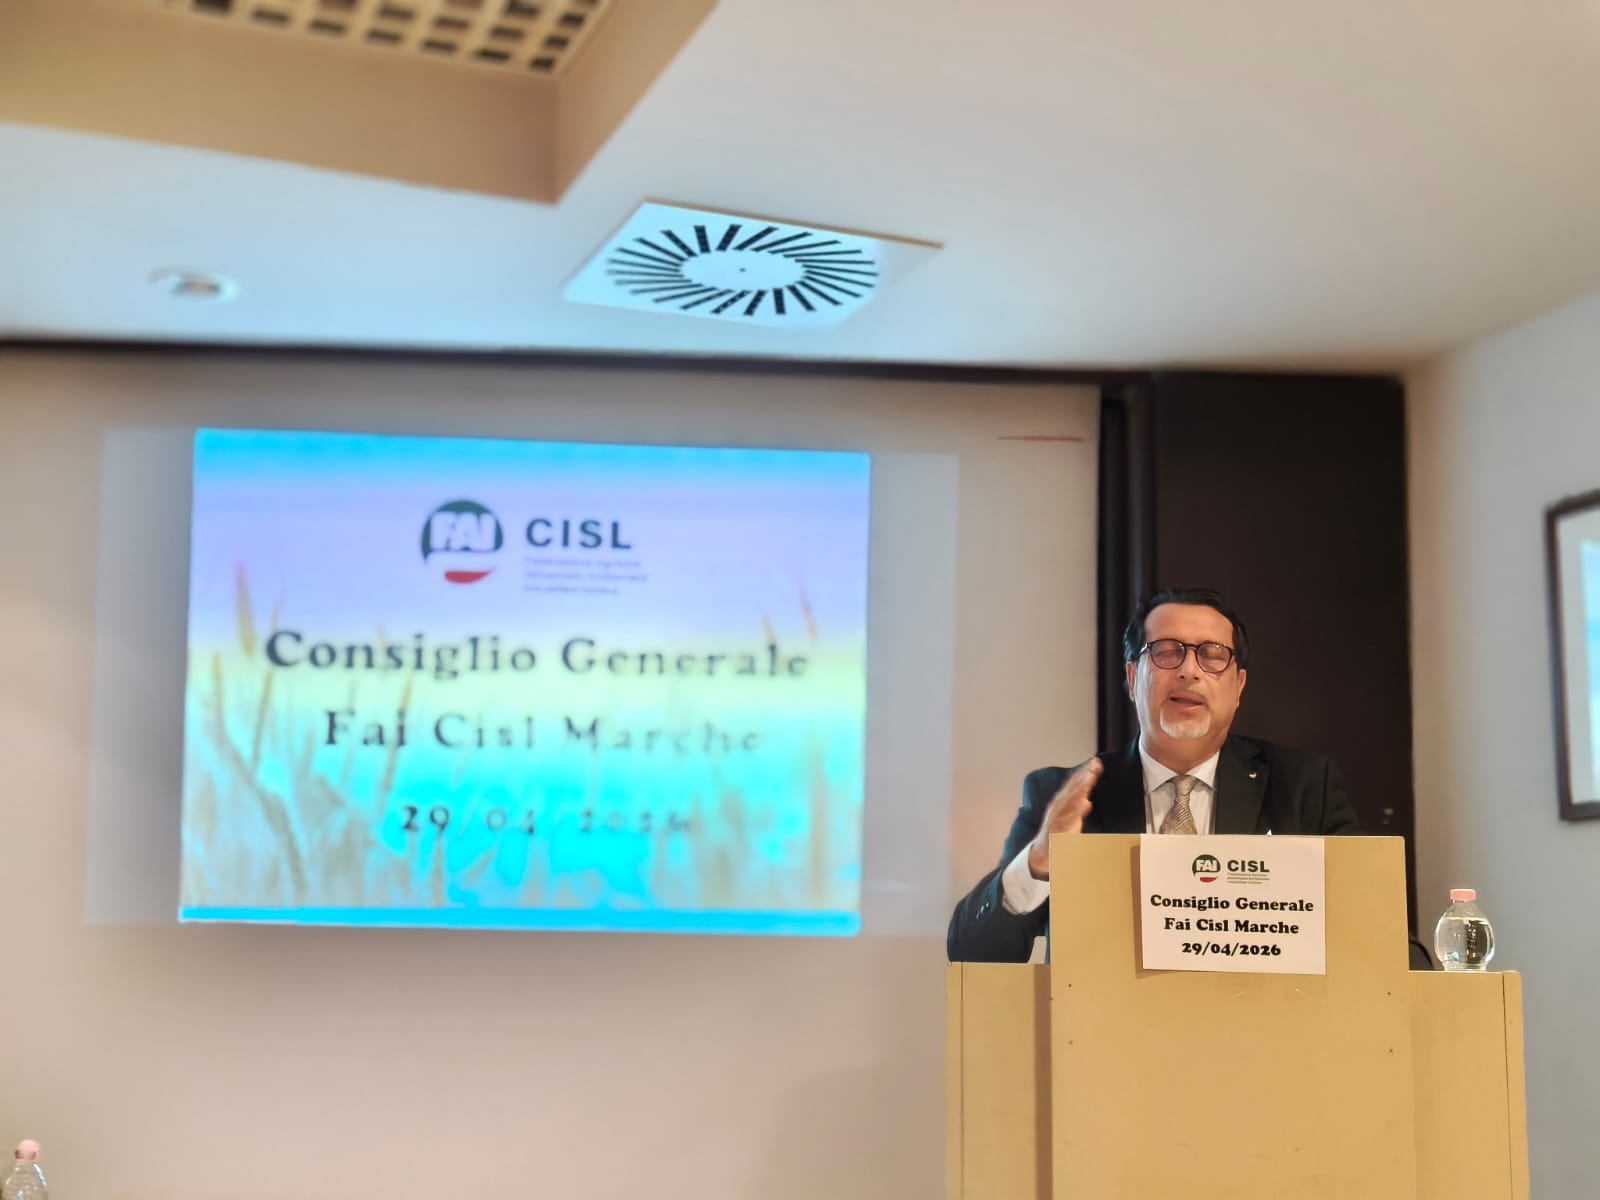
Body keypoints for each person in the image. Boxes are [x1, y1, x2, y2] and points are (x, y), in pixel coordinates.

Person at [946, 586, 1432, 969]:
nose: (1189, 671)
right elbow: (973, 952)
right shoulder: (1066, 796)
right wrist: (1037, 863)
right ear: (1132, 677)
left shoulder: (1302, 788)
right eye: (1167, 652)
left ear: (1238, 687)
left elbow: (1389, 947)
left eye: (1212, 655)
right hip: (1107, 1052)